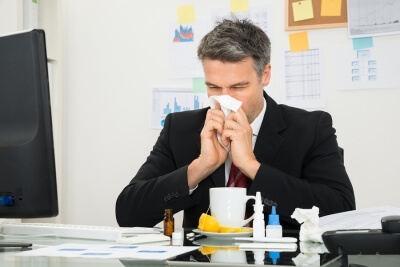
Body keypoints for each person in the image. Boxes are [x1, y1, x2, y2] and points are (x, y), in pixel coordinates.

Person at [115, 19, 355, 230]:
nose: (225, 98)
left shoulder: (311, 128)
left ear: (266, 75)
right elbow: (128, 214)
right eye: (214, 87)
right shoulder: (181, 128)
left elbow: (341, 211)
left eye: (239, 87)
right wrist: (200, 168)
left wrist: (251, 166)